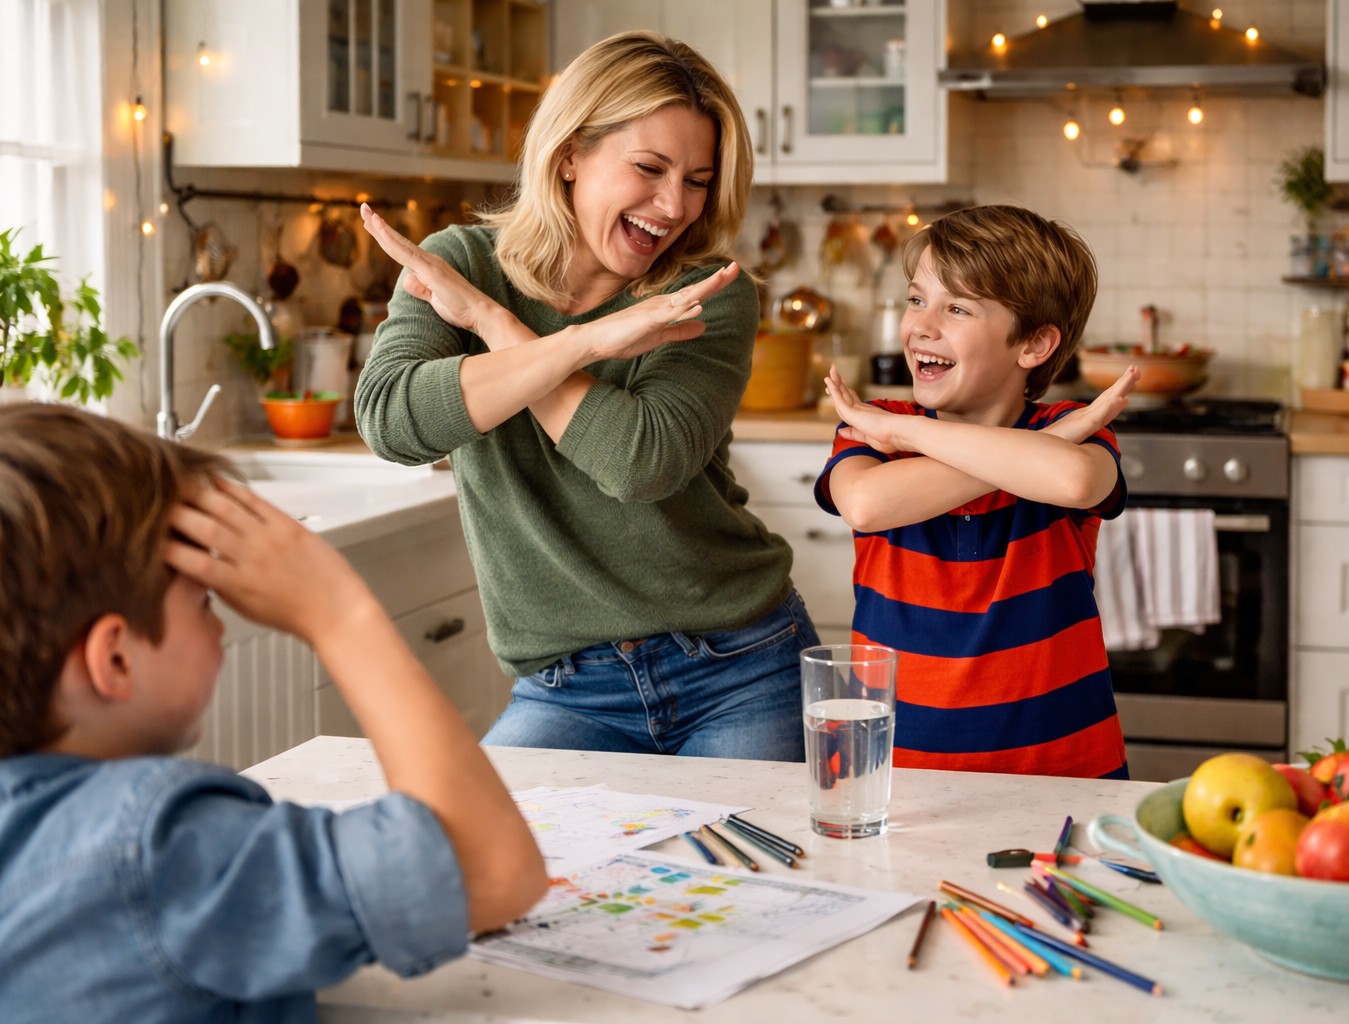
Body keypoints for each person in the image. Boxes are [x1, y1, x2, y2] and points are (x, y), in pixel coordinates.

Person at [0, 403, 547, 1023]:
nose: (219, 625)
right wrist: (340, 615)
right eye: (206, 604)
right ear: (116, 661)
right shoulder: (163, 854)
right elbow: (491, 871)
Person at [354, 31, 815, 762]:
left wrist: (491, 326)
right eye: (650, 168)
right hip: (569, 688)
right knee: (491, 861)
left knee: (740, 875)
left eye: (698, 179)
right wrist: (581, 343)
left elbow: (641, 463)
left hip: (739, 665)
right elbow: (391, 422)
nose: (675, 205)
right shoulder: (463, 263)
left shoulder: (705, 294)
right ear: (570, 153)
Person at [817, 204, 1139, 779]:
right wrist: (900, 428)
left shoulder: (1062, 428)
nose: (922, 324)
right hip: (898, 779)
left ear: (1035, 345)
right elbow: (866, 503)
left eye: (957, 308)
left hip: (1061, 778)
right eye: (917, 299)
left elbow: (1076, 480)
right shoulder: (873, 426)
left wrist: (909, 432)